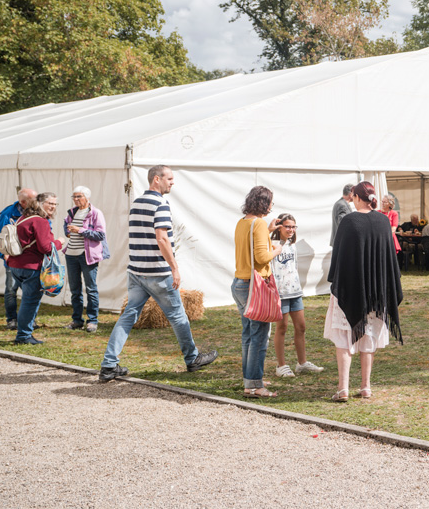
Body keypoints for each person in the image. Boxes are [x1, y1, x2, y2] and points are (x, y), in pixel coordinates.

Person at [99, 166, 218, 382]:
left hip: (136, 272)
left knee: (128, 317)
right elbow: (161, 238)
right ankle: (192, 359)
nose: (172, 182)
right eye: (169, 178)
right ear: (157, 179)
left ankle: (109, 364)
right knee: (178, 316)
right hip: (157, 273)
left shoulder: (136, 203)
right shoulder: (161, 204)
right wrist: (174, 267)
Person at [324, 181, 403, 402]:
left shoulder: (349, 221)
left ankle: (343, 388)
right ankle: (366, 387)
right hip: (376, 291)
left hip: (351, 287)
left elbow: (339, 256)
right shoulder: (382, 221)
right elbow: (389, 258)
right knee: (368, 337)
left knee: (344, 337)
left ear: (356, 197)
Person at [232, 186, 281, 398]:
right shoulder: (258, 224)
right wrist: (277, 249)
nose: (271, 206)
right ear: (263, 203)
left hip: (240, 283)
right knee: (259, 336)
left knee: (248, 335)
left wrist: (267, 231)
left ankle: (250, 378)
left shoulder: (244, 222)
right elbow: (261, 257)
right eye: (270, 202)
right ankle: (254, 385)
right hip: (255, 285)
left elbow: (249, 245)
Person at [270, 214, 325, 379]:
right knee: (282, 328)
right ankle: (281, 365)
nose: (291, 230)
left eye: (293, 227)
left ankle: (302, 363)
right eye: (287, 226)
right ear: (279, 227)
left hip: (295, 292)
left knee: (301, 327)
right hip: (280, 293)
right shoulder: (271, 245)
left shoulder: (292, 246)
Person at [8, 192, 64, 345]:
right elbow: (46, 247)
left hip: (16, 265)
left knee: (28, 301)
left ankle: (26, 333)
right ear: (40, 204)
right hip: (31, 267)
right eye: (50, 203)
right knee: (30, 302)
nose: (52, 207)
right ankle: (23, 336)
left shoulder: (23, 218)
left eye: (55, 204)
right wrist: (59, 242)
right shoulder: (40, 221)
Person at [0, 187, 36, 330]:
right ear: (23, 202)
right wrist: (3, 254)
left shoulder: (37, 213)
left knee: (31, 291)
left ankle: (29, 320)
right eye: (33, 200)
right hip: (13, 262)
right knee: (11, 290)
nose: (36, 202)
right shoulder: (8, 214)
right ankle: (12, 320)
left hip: (30, 261)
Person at [63, 186, 108, 332]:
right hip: (71, 254)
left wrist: (80, 230)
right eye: (74, 197)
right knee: (74, 289)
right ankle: (77, 320)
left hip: (87, 255)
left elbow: (100, 235)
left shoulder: (95, 213)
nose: (76, 200)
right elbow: (66, 225)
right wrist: (68, 231)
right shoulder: (72, 212)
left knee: (91, 289)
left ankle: (92, 320)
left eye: (79, 197)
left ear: (87, 198)